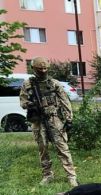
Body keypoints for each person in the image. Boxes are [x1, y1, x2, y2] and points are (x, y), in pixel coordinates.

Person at [20, 57, 78, 187]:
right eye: (40, 69)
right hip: (38, 121)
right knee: (43, 149)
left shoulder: (54, 83)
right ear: (33, 68)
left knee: (62, 148)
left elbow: (65, 101)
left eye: (45, 68)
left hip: (54, 119)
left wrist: (69, 119)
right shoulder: (27, 84)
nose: (43, 71)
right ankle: (47, 175)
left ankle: (71, 176)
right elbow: (22, 101)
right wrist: (31, 105)